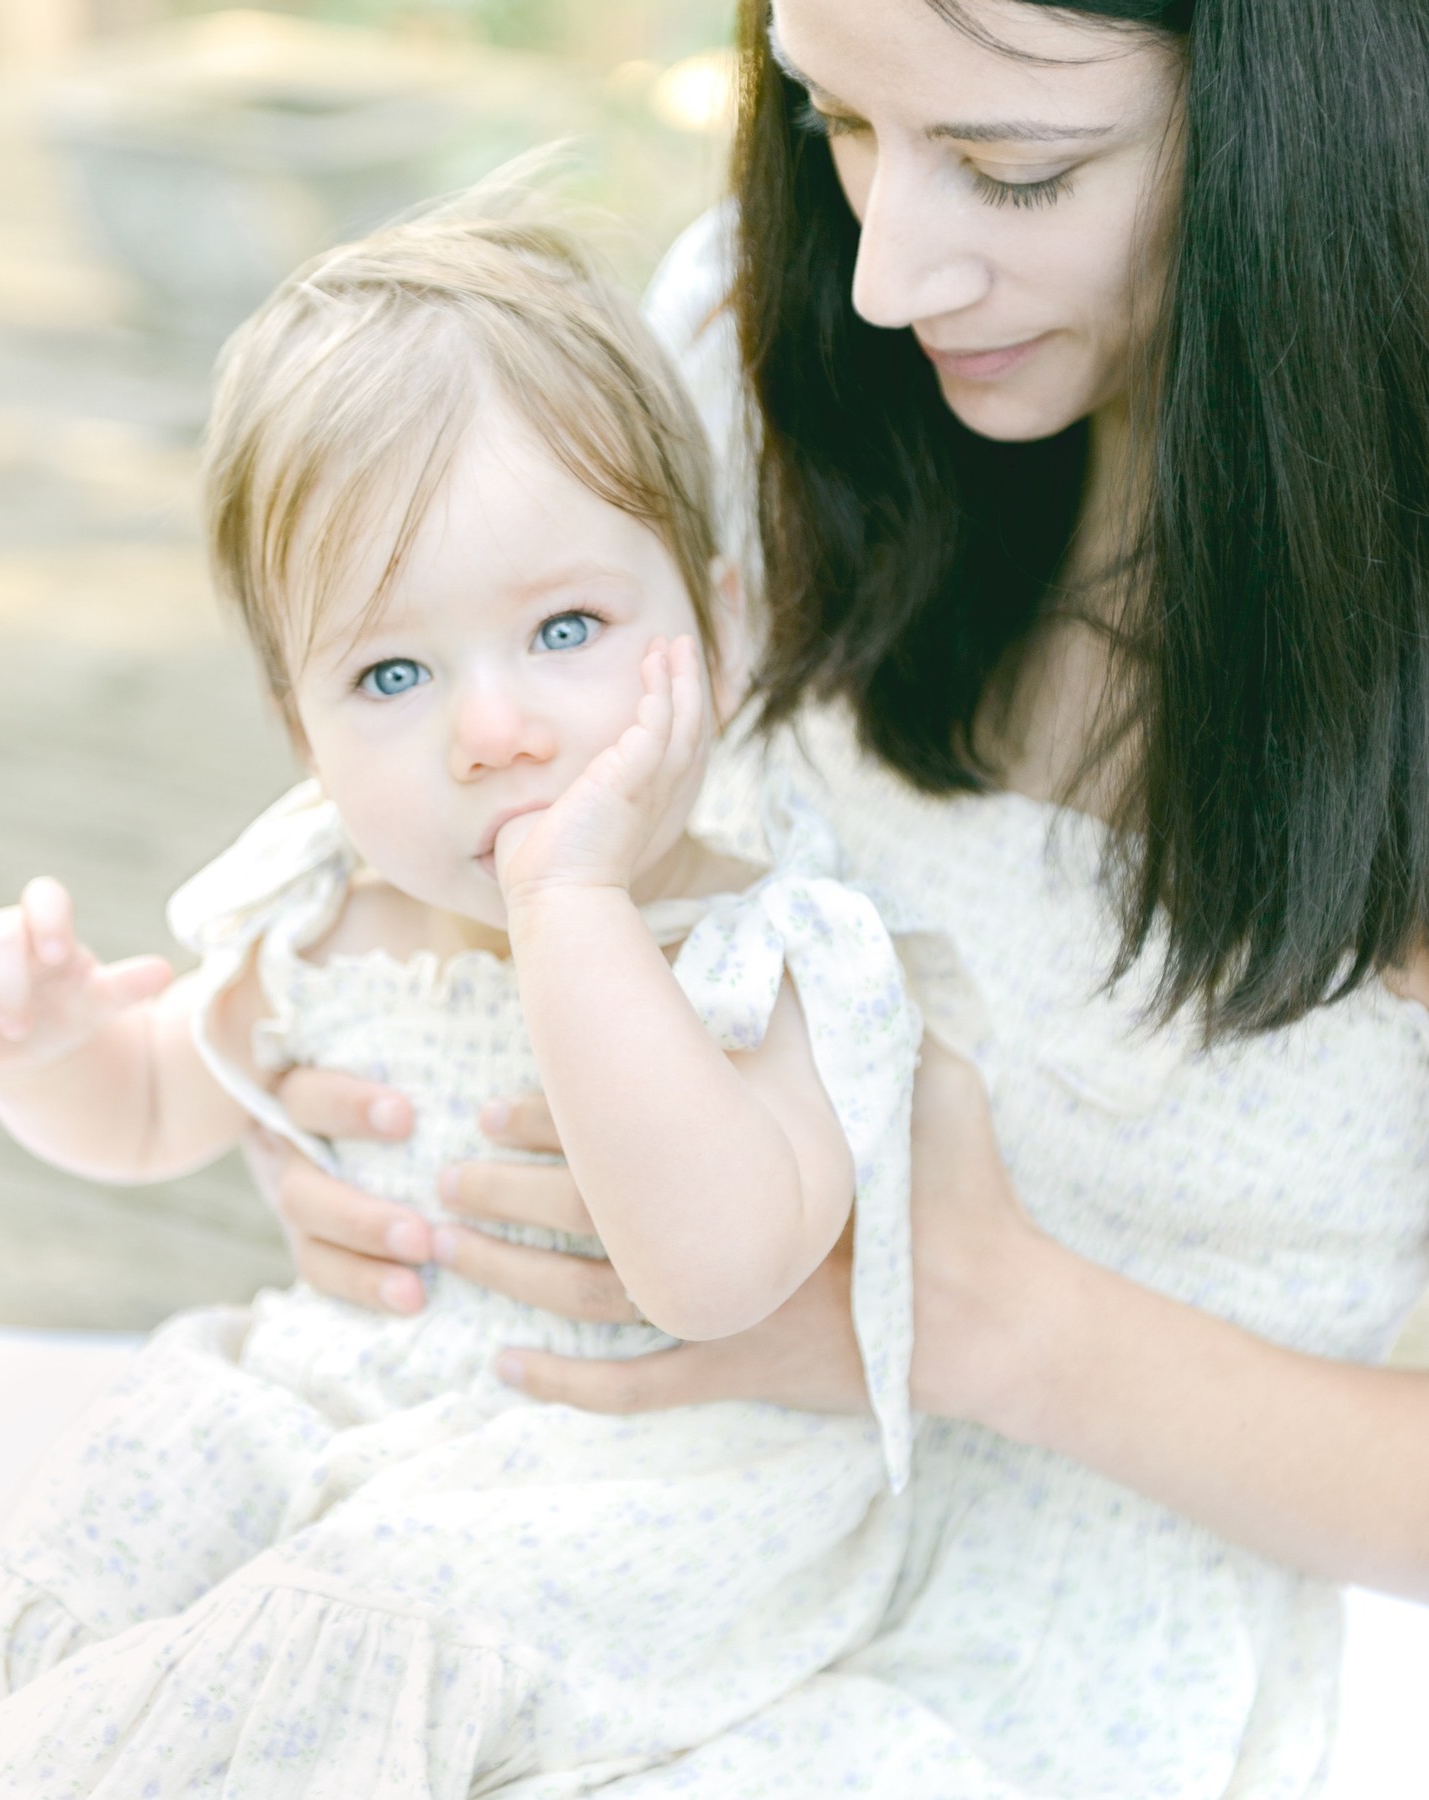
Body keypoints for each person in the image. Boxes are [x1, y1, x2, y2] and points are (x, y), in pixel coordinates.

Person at [255, 1, 1429, 1795]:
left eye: (1013, 169)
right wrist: (352, 1093)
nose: (885, 273)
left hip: (1022, 1681)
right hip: (549, 1526)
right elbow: (460, 788)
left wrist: (972, 1317)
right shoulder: (752, 341)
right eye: (834, 123)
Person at [0, 202, 927, 1791]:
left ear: (720, 625)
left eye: (566, 628)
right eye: (392, 676)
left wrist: (572, 910)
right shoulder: (333, 911)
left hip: (623, 1485)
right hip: (342, 1411)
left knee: (345, 1618)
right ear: (304, 732)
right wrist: (55, 1050)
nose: (493, 729)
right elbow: (158, 1102)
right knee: (149, 1471)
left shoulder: (773, 950)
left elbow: (717, 1264)